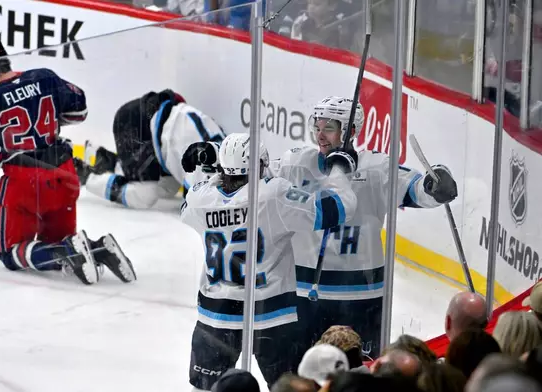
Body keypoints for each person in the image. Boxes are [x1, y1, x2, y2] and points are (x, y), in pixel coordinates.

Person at [273, 95, 458, 359]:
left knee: (363, 374)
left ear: (350, 131)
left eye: (329, 128)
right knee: (304, 372)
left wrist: (435, 184)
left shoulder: (376, 168)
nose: (320, 135)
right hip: (304, 294)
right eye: (317, 126)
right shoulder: (295, 164)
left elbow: (415, 189)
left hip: (361, 296)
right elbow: (260, 179)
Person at [180, 132, 358, 391]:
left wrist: (211, 161)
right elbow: (337, 209)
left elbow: (192, 204)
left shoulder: (199, 199)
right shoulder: (274, 195)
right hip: (271, 316)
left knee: (205, 388)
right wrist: (340, 169)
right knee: (292, 387)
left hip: (216, 316)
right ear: (261, 166)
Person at [0, 33, 137, 285]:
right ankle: (100, 249)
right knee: (60, 240)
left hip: (26, 183)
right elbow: (79, 112)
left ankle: (65, 252)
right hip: (64, 176)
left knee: (8, 252)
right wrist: (44, 122)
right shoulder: (43, 76)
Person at [74, 89, 225, 209]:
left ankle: (110, 163)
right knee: (144, 196)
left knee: (167, 189)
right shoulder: (209, 176)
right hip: (138, 123)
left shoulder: (226, 156)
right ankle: (88, 176)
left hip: (159, 120)